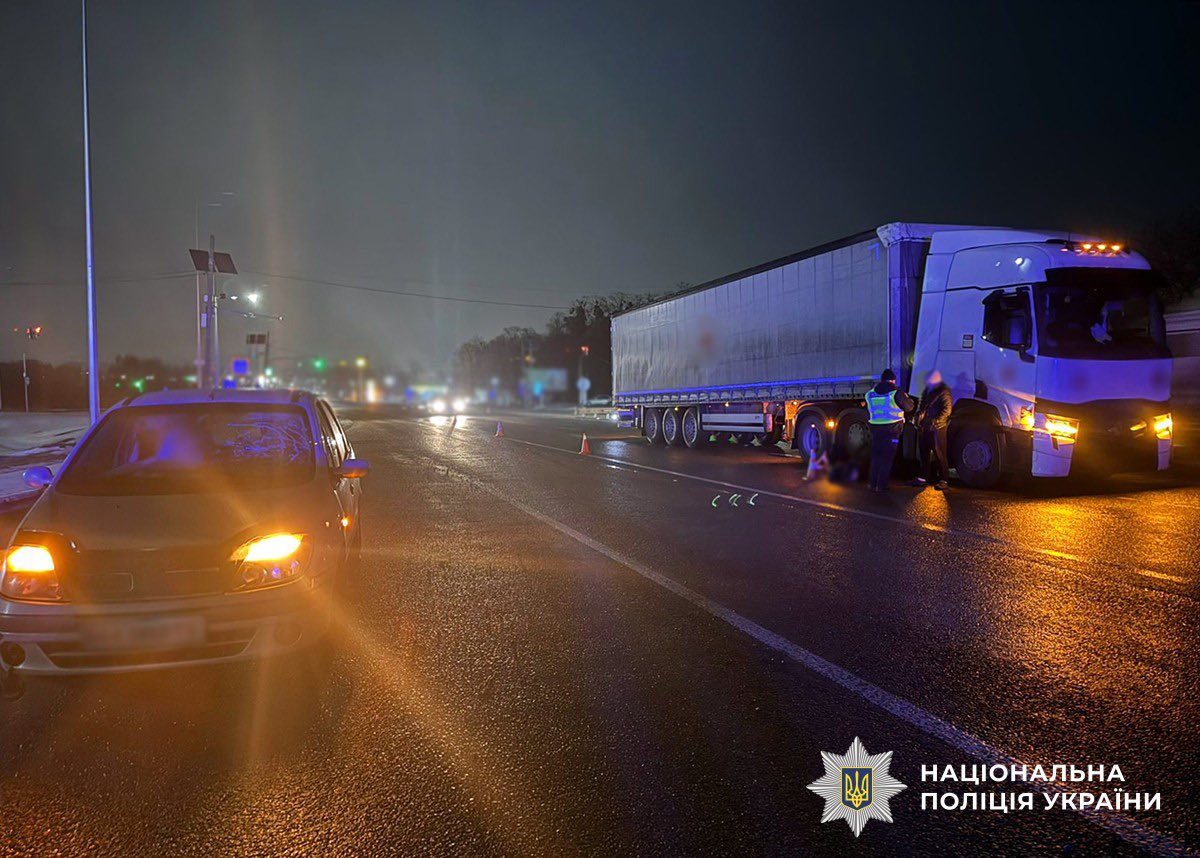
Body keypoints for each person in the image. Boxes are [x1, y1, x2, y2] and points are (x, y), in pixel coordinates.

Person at [865, 368, 914, 493]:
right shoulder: (896, 393)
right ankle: (881, 485)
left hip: (876, 429)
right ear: (892, 380)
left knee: (876, 456)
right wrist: (908, 399)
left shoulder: (869, 394)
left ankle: (872, 484)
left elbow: (869, 411)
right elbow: (909, 407)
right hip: (892, 430)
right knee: (887, 458)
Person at [910, 369, 953, 490]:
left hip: (937, 428)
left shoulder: (944, 391)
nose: (927, 381)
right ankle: (923, 477)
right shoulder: (927, 391)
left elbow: (947, 410)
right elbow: (922, 406)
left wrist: (935, 421)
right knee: (924, 454)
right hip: (925, 426)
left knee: (940, 454)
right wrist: (918, 418)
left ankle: (944, 480)